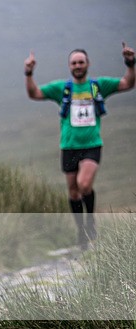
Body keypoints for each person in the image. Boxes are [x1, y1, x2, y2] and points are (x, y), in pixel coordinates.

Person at [24, 43, 135, 250]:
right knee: (73, 192)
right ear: (69, 66)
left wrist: (130, 63)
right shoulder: (62, 89)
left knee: (84, 185)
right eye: (74, 62)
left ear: (87, 64)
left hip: (92, 145)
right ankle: (81, 230)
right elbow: (35, 94)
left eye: (81, 62)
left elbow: (128, 83)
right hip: (69, 146)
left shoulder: (98, 85)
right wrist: (29, 73)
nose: (78, 65)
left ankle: (91, 220)